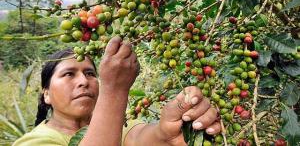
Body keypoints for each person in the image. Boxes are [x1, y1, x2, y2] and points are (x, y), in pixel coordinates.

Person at [13, 36, 221, 146]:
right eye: (69, 74)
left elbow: (141, 137)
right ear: (46, 94)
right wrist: (114, 89)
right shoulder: (34, 141)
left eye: (90, 73)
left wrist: (167, 132)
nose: (83, 82)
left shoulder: (118, 125)